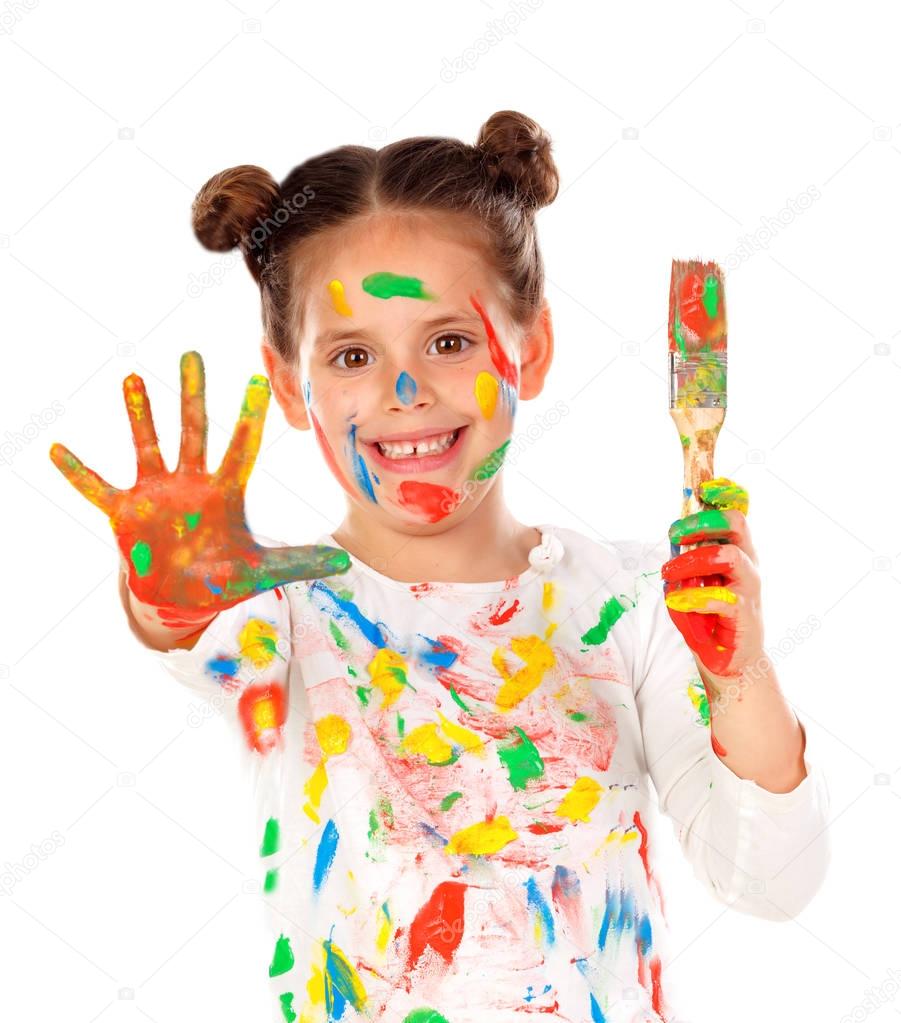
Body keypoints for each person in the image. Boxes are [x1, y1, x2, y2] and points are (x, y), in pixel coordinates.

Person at [49, 110, 830, 1023]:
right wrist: (165, 600)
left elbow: (771, 883)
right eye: (351, 355)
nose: (405, 390)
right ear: (292, 384)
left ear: (530, 348)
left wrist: (738, 672)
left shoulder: (628, 600)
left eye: (449, 341)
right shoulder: (283, 613)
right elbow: (190, 632)